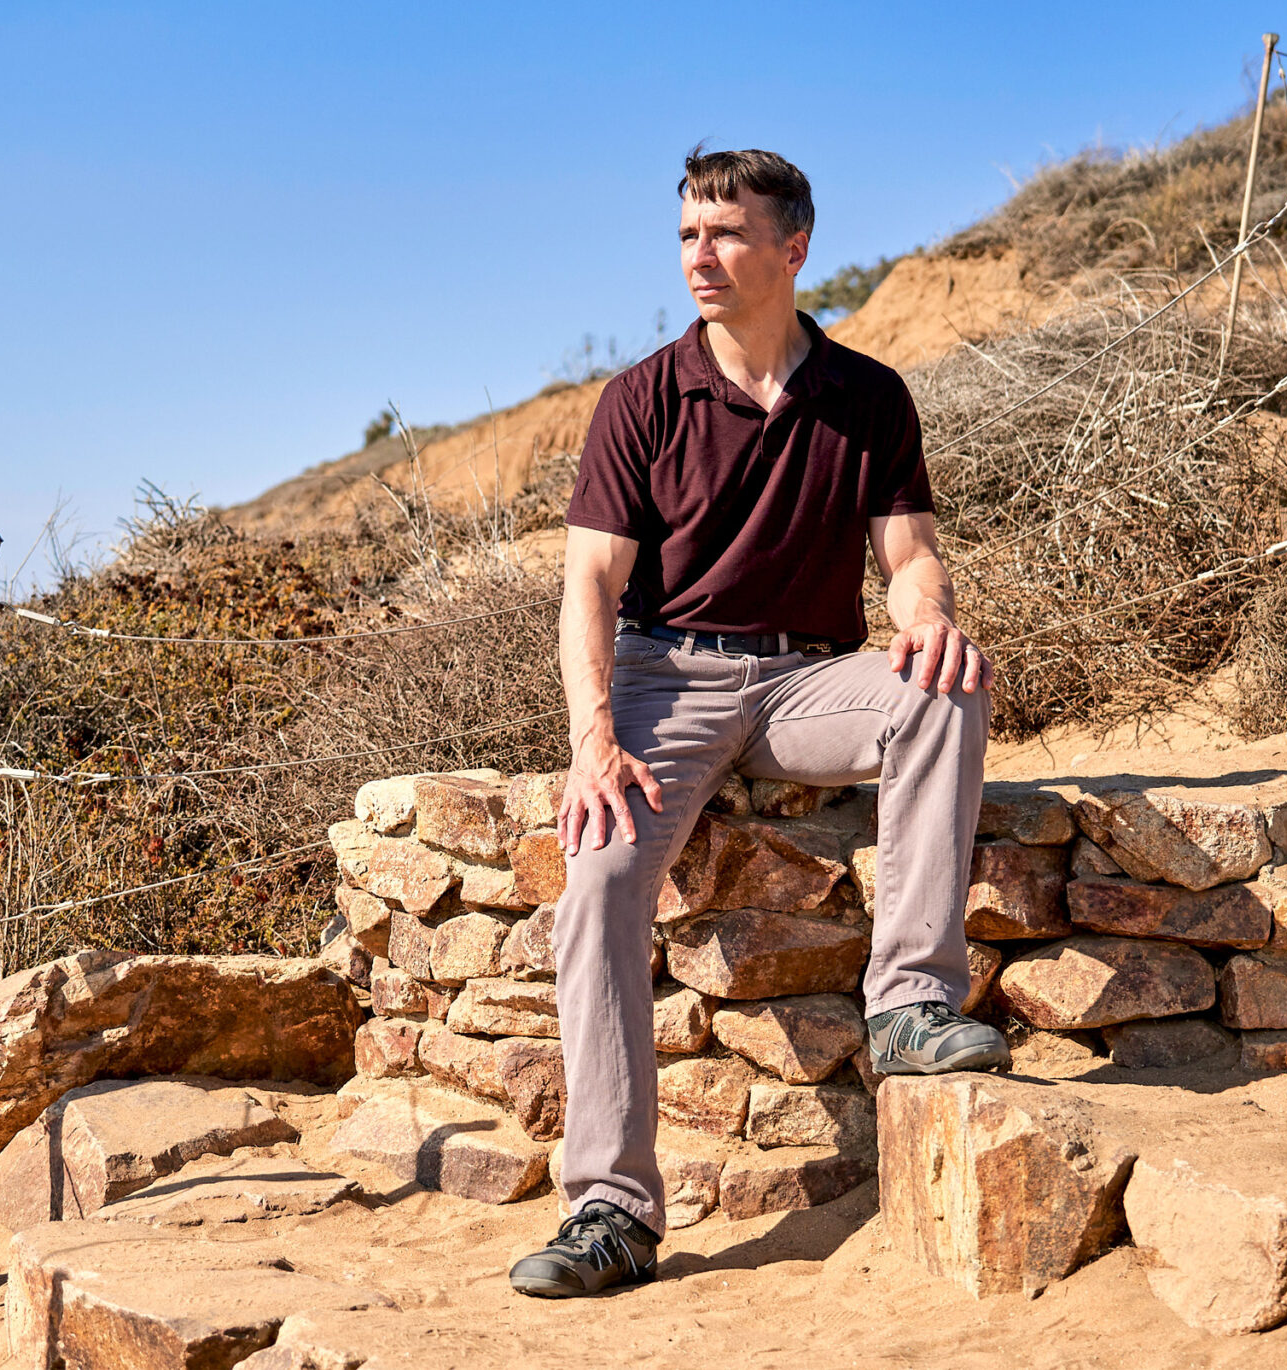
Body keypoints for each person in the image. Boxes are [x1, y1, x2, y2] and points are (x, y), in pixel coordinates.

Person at [508, 146, 1009, 1300]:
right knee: (599, 875)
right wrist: (594, 737)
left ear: (792, 248)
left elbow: (910, 553)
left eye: (725, 234)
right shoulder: (642, 397)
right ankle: (613, 1211)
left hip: (805, 679)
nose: (699, 255)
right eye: (686, 234)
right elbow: (588, 584)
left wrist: (927, 616)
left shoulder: (868, 394)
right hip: (661, 680)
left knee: (946, 686)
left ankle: (911, 1008)